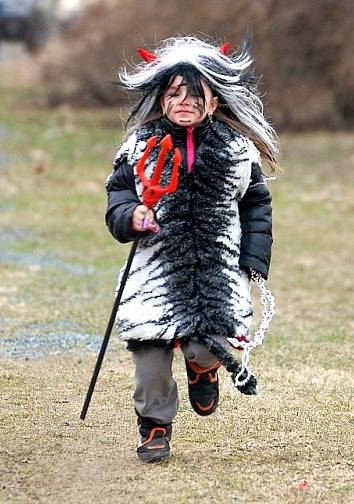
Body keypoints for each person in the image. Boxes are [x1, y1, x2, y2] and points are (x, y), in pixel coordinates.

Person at [104, 35, 279, 463]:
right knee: (150, 360)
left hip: (215, 270)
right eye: (173, 93)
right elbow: (118, 200)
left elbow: (257, 206)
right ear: (161, 100)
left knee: (206, 344)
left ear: (214, 102)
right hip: (154, 271)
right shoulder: (140, 149)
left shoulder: (237, 153)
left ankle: (203, 368)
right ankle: (154, 426)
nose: (183, 101)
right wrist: (132, 217)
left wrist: (253, 260)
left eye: (193, 94)